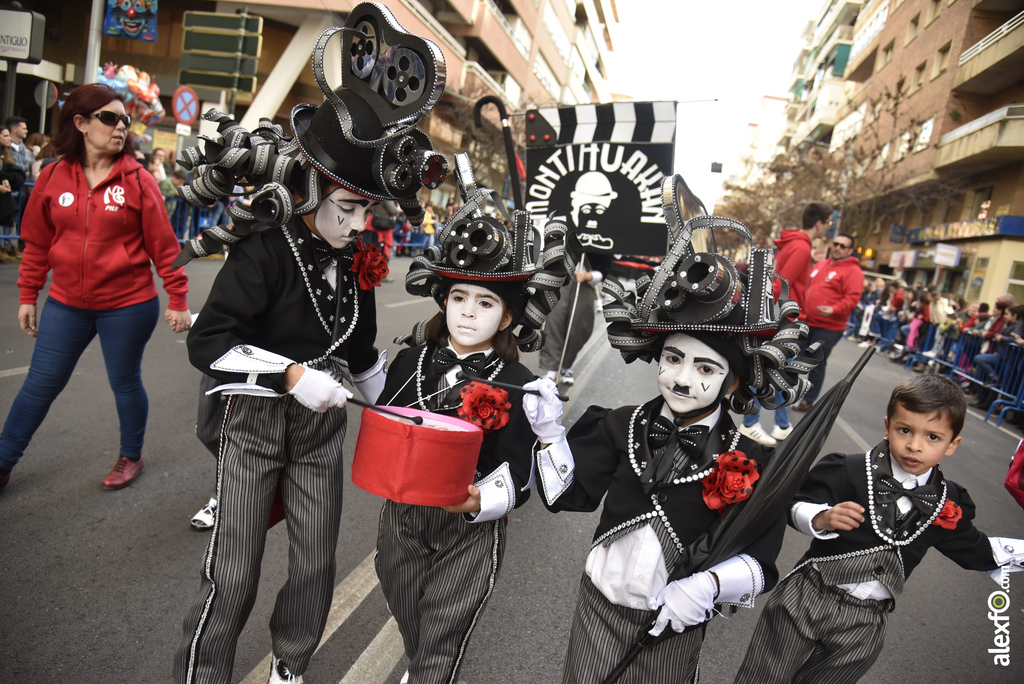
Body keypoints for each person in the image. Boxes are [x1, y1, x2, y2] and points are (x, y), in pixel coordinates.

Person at [172, 6, 448, 682]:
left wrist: (415, 414)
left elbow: (359, 359)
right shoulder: (264, 251)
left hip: (320, 435)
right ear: (315, 189)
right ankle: (199, 675)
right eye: (348, 209)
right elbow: (208, 344)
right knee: (233, 572)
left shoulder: (354, 258)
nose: (359, 227)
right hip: (254, 427)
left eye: (366, 213)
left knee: (316, 564)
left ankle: (290, 664)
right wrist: (291, 379)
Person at [524, 200, 820, 684]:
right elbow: (564, 496)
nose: (682, 379)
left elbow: (762, 563)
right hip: (596, 612)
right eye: (674, 358)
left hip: (673, 628)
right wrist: (550, 433)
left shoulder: (749, 459)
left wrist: (706, 588)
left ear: (732, 384)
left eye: (705, 369)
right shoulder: (620, 424)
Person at [372, 156, 578, 683]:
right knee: (411, 619)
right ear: (443, 300)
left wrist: (483, 499)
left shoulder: (518, 383)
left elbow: (523, 473)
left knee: (442, 639)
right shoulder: (409, 361)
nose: (467, 312)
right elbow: (385, 428)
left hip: (469, 529)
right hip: (401, 521)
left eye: (485, 302)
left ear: (506, 316)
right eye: (458, 297)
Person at [734, 375, 1024, 683]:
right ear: (888, 427)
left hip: (867, 621)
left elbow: (974, 549)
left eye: (933, 438)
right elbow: (791, 503)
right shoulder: (849, 469)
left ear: (953, 444)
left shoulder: (947, 501)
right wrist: (820, 518)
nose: (914, 445)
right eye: (904, 430)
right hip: (806, 597)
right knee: (763, 677)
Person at [0, 84, 190, 494]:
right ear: (81, 123)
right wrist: (28, 295)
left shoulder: (139, 180)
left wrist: (178, 299)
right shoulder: (52, 176)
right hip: (66, 304)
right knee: (40, 383)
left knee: (125, 382)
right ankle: (2, 462)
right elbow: (36, 244)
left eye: (124, 120)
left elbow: (165, 248)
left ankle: (131, 455)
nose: (120, 126)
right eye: (109, 118)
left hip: (128, 305)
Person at [740, 200, 831, 446]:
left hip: (785, 316)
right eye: (829, 223)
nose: (828, 228)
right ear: (820, 223)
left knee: (782, 372)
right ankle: (750, 423)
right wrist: (780, 318)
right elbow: (781, 284)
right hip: (786, 316)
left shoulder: (794, 244)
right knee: (773, 370)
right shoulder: (801, 248)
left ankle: (782, 425)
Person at [793, 232, 863, 412]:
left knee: (814, 362)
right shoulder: (822, 264)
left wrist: (834, 309)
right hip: (807, 320)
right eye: (836, 244)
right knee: (793, 354)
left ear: (850, 251)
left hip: (829, 326)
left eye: (843, 246)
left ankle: (808, 400)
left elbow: (852, 298)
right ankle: (781, 390)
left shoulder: (854, 272)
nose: (838, 248)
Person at [538, 252, 613, 387]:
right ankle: (552, 369)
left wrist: (589, 276)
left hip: (585, 284)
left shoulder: (605, 238)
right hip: (562, 279)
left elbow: (605, 265)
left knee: (578, 327)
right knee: (554, 324)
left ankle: (566, 366)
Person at [0, 125, 28, 257]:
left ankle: (5, 245)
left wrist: (5, 180)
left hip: (5, 191)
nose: (8, 139)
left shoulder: (5, 153)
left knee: (9, 216)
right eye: (5, 136)